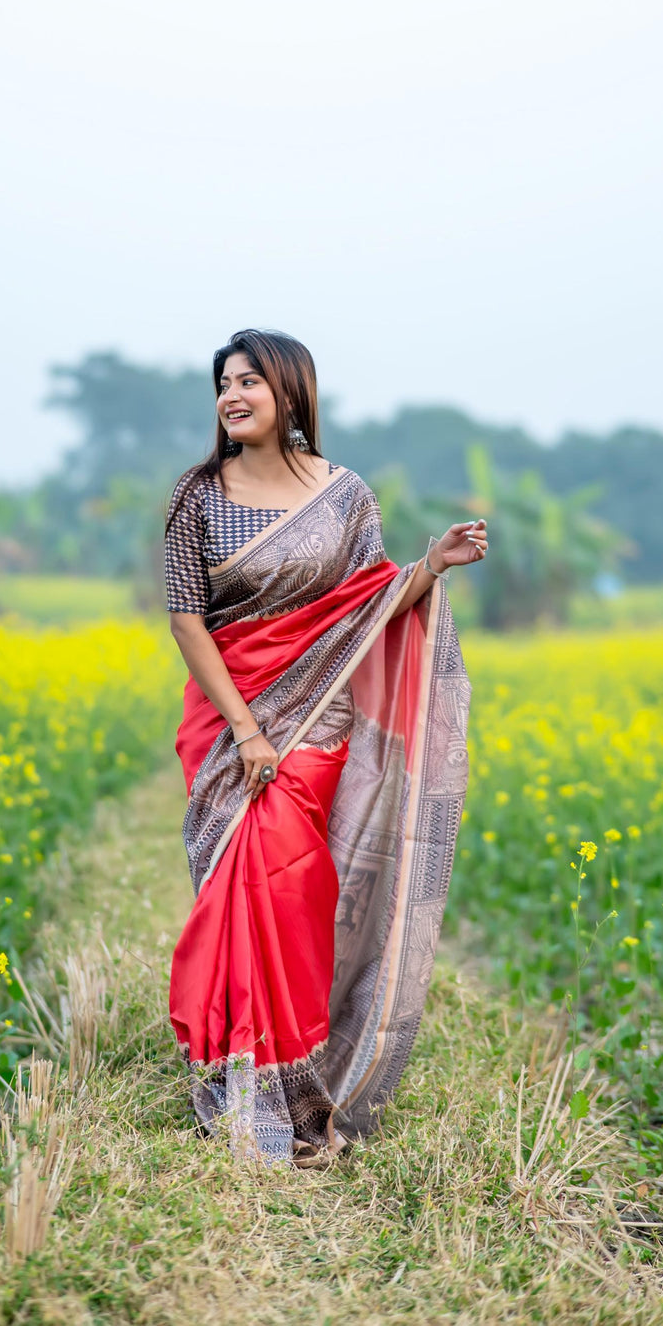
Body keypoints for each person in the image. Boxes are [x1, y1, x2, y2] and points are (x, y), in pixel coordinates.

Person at [164, 329, 486, 1166]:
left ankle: (298, 1085)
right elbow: (186, 620)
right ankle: (239, 1084)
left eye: (249, 383)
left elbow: (370, 603)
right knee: (234, 890)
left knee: (292, 892)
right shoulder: (195, 496)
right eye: (223, 384)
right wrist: (243, 727)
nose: (232, 396)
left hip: (315, 724)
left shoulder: (345, 495)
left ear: (291, 392)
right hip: (232, 723)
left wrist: (432, 563)